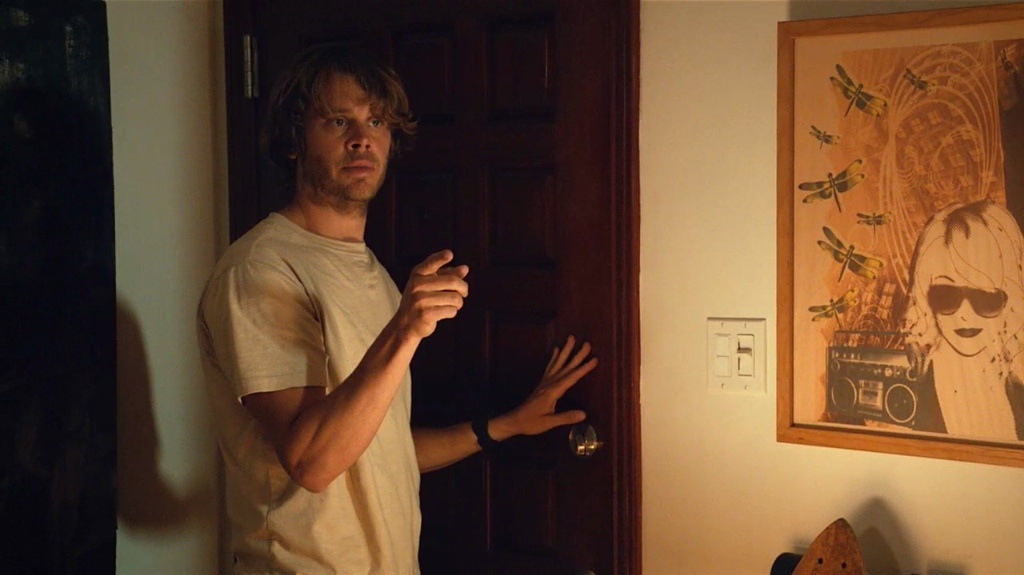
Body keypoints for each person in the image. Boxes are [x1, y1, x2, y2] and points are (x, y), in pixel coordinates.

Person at [196, 44, 598, 575]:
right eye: (338, 120)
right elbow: (312, 462)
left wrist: (503, 426)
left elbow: (379, 450)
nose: (362, 138)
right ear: (293, 142)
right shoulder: (259, 270)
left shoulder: (374, 275)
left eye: (377, 120)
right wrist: (405, 330)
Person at [902, 199, 1024, 441]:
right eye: (946, 295)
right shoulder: (910, 388)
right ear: (926, 295)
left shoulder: (1016, 382)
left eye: (986, 297)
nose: (965, 314)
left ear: (1009, 300)